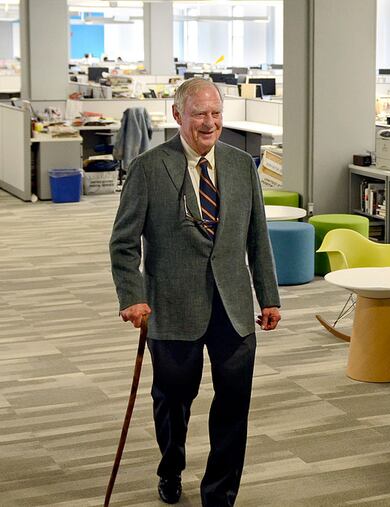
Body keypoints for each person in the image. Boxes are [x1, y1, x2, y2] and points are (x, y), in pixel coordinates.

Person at [110, 78, 281, 506]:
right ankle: (171, 466)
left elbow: (258, 238)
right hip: (171, 305)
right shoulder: (148, 168)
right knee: (173, 401)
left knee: (234, 405)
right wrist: (132, 294)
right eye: (200, 114)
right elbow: (124, 242)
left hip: (234, 306)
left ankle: (219, 494)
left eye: (216, 114)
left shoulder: (242, 166)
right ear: (177, 116)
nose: (210, 123)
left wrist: (269, 297)